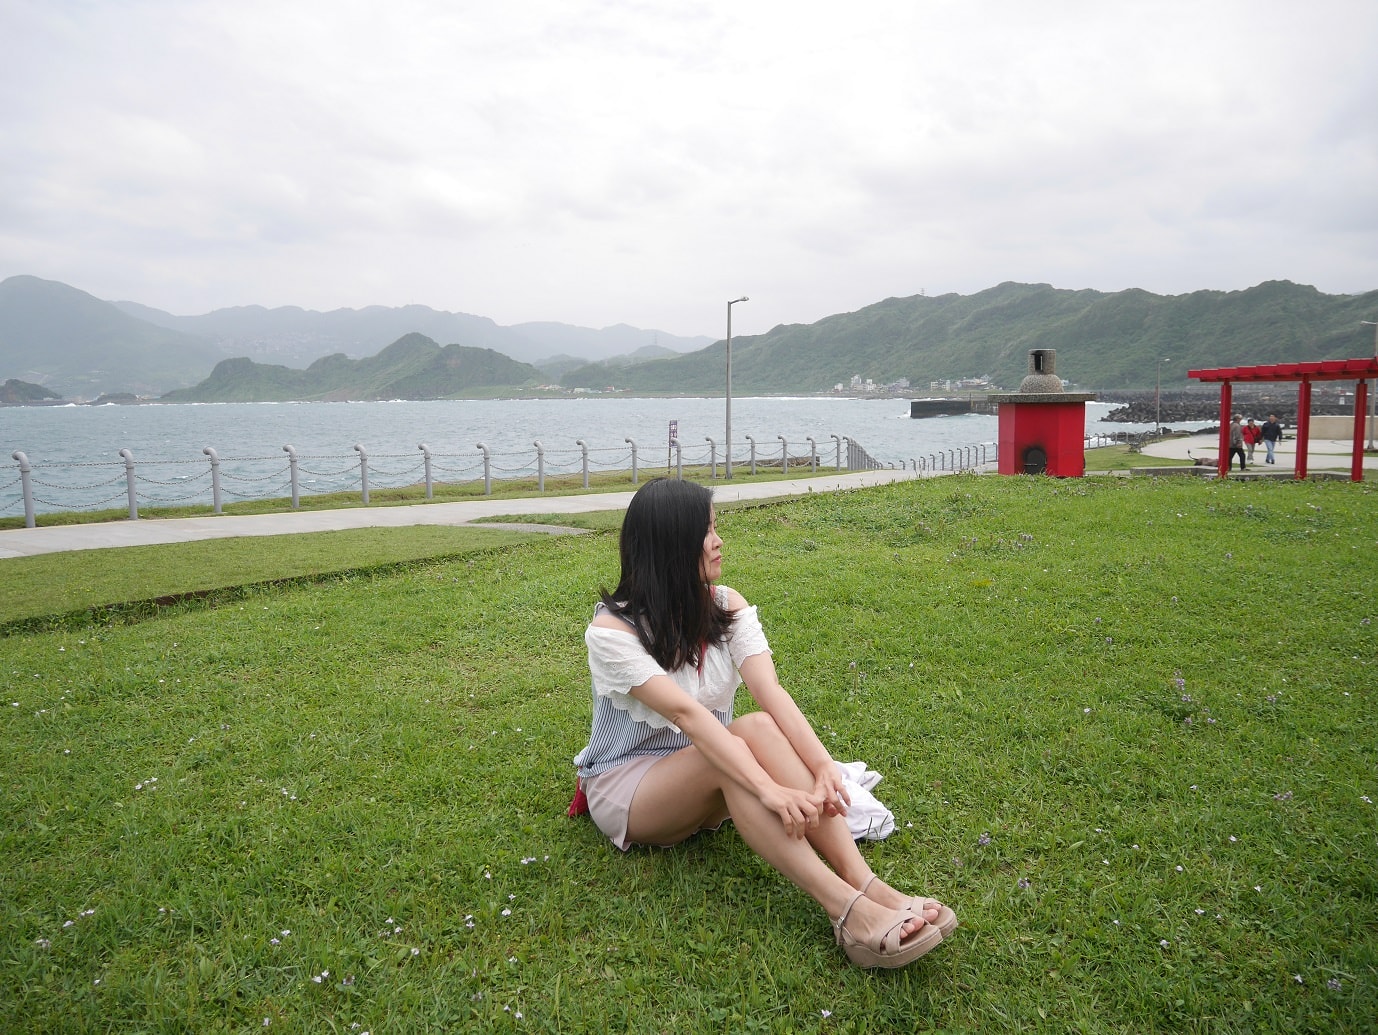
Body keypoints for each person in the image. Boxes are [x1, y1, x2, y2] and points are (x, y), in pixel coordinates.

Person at [572, 478, 956, 969]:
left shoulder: (723, 604)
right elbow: (687, 715)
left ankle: (867, 884)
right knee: (732, 754)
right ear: (671, 544)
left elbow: (769, 693)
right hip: (632, 789)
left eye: (716, 528)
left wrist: (822, 768)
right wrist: (769, 789)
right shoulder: (611, 631)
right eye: (706, 532)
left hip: (714, 772)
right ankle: (848, 915)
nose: (718, 541)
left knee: (752, 727)